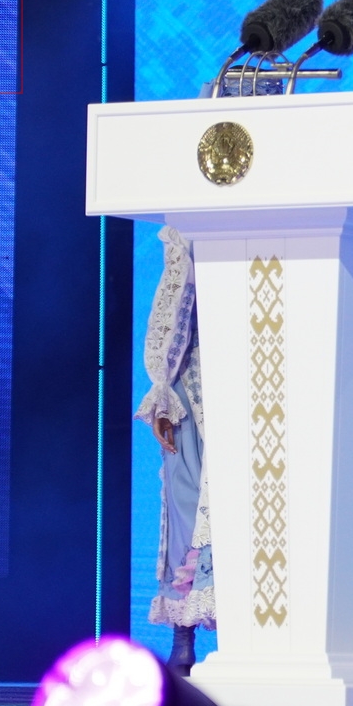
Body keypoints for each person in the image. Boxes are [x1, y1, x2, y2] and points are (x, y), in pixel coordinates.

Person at [136, 226, 215, 675]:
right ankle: (183, 636)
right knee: (189, 501)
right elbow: (174, 301)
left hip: (255, 372)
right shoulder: (190, 227)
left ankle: (256, 636)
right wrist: (162, 387)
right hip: (198, 374)